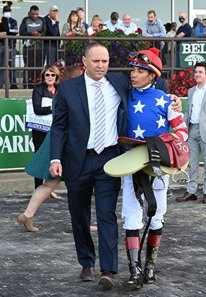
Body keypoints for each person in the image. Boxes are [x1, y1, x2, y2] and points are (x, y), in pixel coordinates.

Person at [49, 41, 129, 290]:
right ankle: (86, 262)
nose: (101, 65)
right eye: (96, 61)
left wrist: (171, 98)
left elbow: (148, 86)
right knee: (79, 216)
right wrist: (55, 158)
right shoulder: (68, 89)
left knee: (106, 215)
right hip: (78, 161)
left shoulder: (119, 83)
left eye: (105, 61)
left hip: (109, 159)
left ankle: (108, 269)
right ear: (85, 62)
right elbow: (59, 126)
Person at [122, 48, 188, 289]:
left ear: (153, 75)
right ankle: (134, 269)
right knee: (131, 214)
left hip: (158, 167)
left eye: (140, 71)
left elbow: (181, 131)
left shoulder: (164, 99)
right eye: (133, 70)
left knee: (158, 214)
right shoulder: (124, 95)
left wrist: (165, 148)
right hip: (130, 165)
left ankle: (150, 266)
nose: (134, 74)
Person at [17, 65, 99, 233]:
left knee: (49, 184)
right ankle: (83, 223)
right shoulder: (75, 96)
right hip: (70, 147)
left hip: (58, 143)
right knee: (78, 187)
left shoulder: (61, 95)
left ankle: (28, 214)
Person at [176, 62, 206, 204]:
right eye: (196, 72)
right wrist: (182, 128)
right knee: (192, 164)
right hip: (192, 130)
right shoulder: (191, 91)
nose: (197, 74)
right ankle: (191, 192)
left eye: (200, 72)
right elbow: (187, 112)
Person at [31, 65, 60, 190]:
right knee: (40, 158)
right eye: (47, 74)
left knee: (54, 158)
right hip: (40, 130)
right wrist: (52, 108)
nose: (50, 77)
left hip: (56, 129)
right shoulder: (38, 89)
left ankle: (49, 189)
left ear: (57, 76)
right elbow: (37, 109)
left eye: (52, 74)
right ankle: (38, 188)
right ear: (43, 76)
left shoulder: (61, 89)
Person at [19, 5, 46, 89]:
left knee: (39, 67)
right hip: (28, 48)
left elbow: (45, 32)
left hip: (40, 48)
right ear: (30, 13)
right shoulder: (25, 20)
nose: (35, 16)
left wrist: (39, 34)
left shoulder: (42, 20)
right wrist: (31, 34)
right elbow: (21, 32)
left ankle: (38, 84)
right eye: (33, 14)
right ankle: (28, 84)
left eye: (37, 14)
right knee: (29, 67)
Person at [3, 5, 19, 89]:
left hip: (11, 45)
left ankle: (13, 84)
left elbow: (15, 31)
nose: (7, 12)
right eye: (6, 11)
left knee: (12, 66)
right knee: (2, 65)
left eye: (8, 11)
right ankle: (1, 83)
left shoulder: (13, 21)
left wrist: (7, 30)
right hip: (2, 46)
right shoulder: (1, 21)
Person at [0, 10, 9, 88]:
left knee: (3, 65)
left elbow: (6, 30)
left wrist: (0, 21)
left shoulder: (4, 19)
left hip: (3, 45)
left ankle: (0, 83)